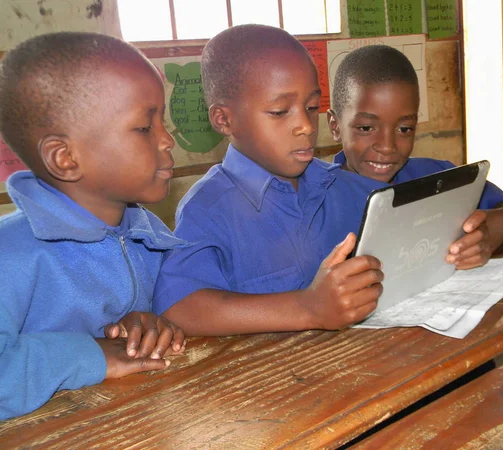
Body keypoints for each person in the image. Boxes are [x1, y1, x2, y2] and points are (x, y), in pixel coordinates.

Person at [0, 32, 187, 427]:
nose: (166, 139)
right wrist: (91, 355)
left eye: (163, 121)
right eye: (145, 128)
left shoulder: (148, 237)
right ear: (66, 157)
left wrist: (146, 324)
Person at [154, 24, 384, 337]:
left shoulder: (343, 187)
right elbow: (179, 308)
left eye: (312, 107)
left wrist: (464, 241)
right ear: (224, 120)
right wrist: (308, 308)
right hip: (271, 379)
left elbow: (414, 224)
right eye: (279, 111)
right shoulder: (208, 209)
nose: (305, 125)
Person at [326, 45, 503, 270]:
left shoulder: (435, 178)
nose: (387, 147)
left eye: (404, 129)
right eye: (366, 127)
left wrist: (486, 234)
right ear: (335, 126)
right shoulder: (317, 199)